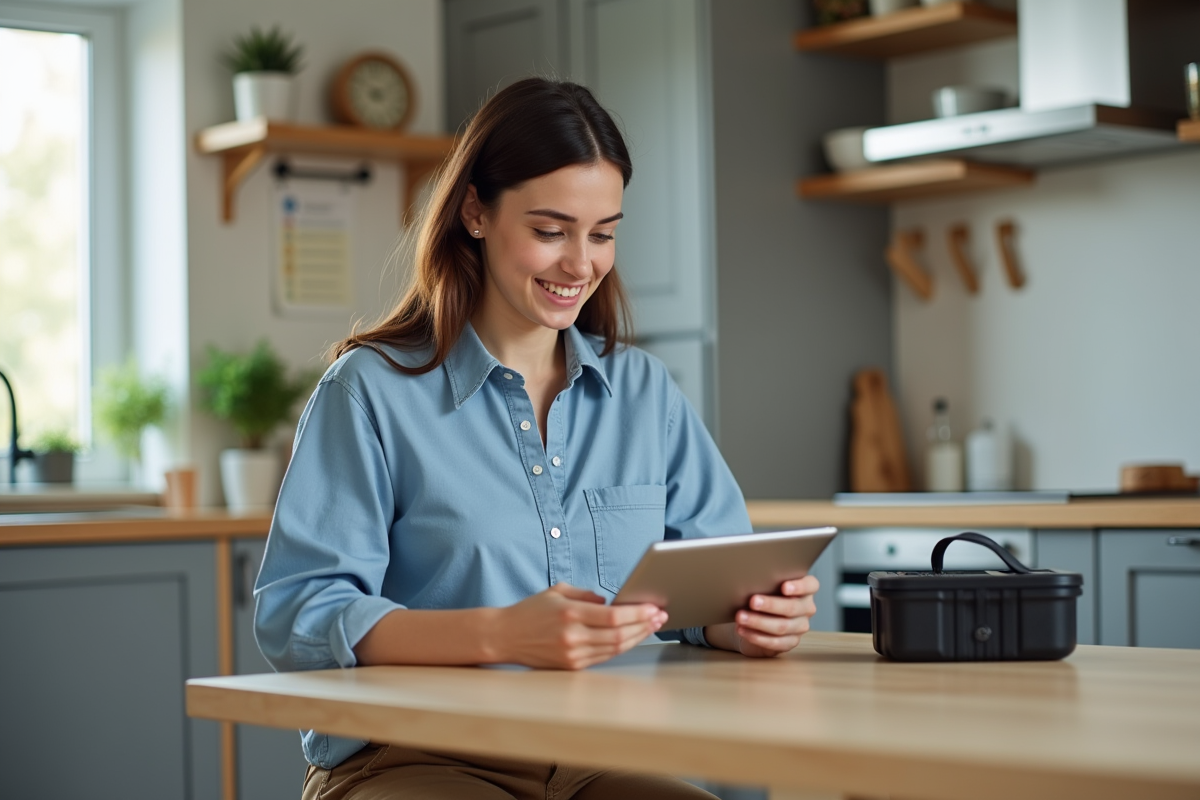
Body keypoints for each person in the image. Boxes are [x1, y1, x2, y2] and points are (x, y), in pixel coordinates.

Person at [254, 77, 820, 800]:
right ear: (475, 213)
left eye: (603, 233)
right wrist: (500, 636)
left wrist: (743, 623)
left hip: (601, 755)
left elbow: (708, 587)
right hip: (417, 755)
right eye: (550, 231)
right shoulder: (369, 391)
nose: (580, 263)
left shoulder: (645, 393)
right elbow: (298, 615)